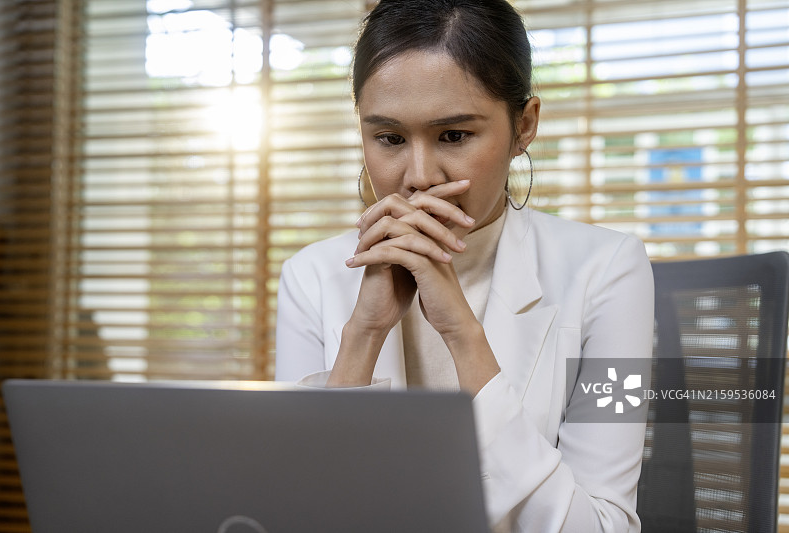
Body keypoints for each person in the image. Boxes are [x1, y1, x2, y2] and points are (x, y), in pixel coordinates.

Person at [274, 1, 654, 531]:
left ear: (524, 126)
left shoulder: (610, 269)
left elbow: (603, 526)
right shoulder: (310, 276)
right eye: (389, 139)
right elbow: (297, 515)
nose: (420, 176)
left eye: (454, 136)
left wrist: (463, 334)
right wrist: (362, 336)